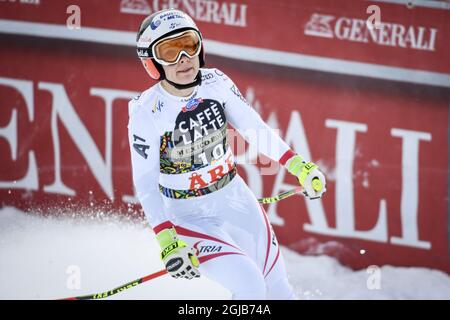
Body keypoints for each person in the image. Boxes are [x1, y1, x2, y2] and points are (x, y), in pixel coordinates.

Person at [128, 8, 326, 300]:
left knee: (278, 289)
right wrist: (167, 238)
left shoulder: (215, 82)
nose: (183, 59)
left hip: (234, 197)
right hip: (187, 215)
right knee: (250, 287)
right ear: (152, 62)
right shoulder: (146, 111)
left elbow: (254, 129)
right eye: (170, 51)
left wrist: (299, 166)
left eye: (189, 45)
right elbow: (145, 184)